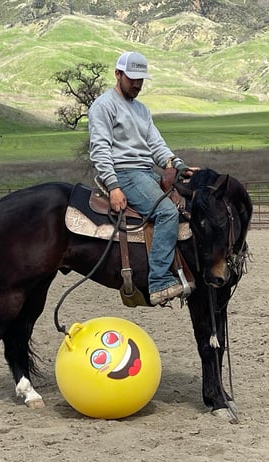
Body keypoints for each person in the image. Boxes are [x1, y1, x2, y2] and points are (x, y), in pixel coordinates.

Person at [88, 51, 196, 306]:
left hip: (146, 172)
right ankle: (158, 281)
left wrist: (177, 164)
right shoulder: (104, 106)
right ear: (118, 74)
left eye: (141, 80)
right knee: (167, 213)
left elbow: (156, 145)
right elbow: (100, 149)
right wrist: (113, 186)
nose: (137, 84)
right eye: (132, 78)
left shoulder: (142, 110)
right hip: (124, 173)